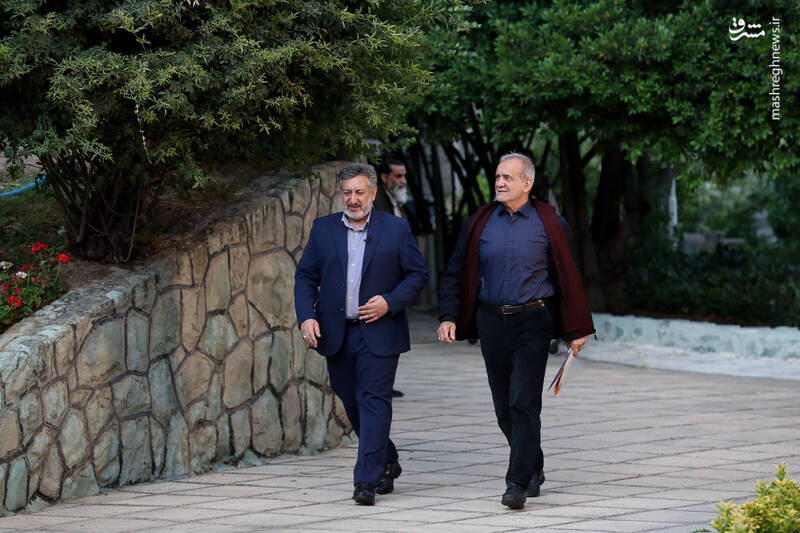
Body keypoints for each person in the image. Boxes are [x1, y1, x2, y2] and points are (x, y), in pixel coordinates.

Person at [437, 153, 594, 509]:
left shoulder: (550, 222)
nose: (500, 182)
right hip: (491, 321)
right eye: (497, 177)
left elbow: (568, 276)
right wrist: (448, 315)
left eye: (507, 177)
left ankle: (517, 483)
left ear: (527, 183)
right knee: (503, 407)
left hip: (533, 320)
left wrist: (575, 328)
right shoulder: (480, 221)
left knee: (523, 401)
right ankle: (533, 463)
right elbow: (456, 270)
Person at [295, 163, 428, 505]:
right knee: (351, 400)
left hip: (380, 331)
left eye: (359, 192)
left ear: (372, 193)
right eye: (347, 193)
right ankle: (387, 458)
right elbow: (306, 277)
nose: (353, 199)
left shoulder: (395, 229)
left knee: (374, 401)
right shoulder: (323, 229)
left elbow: (417, 274)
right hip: (337, 333)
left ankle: (366, 479)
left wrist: (390, 302)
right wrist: (306, 317)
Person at [373, 158, 414, 398]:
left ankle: (386, 382)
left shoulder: (396, 201)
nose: (403, 181)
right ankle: (380, 384)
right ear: (384, 177)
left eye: (404, 175)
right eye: (398, 176)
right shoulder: (378, 202)